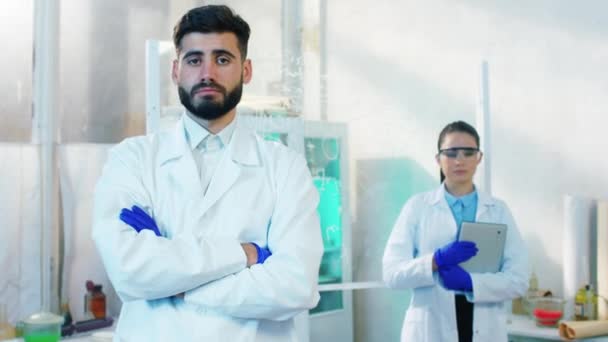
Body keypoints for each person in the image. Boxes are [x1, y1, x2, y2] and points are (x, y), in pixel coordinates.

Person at [92, 5, 323, 341]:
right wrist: (245, 254)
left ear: (246, 70)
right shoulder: (132, 159)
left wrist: (177, 284)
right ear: (175, 71)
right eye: (194, 59)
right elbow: (129, 272)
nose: (207, 73)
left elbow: (296, 286)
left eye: (223, 59)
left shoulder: (285, 167)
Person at [382, 120, 528, 342]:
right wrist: (434, 261)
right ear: (438, 159)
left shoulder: (498, 210)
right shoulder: (417, 207)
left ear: (479, 157)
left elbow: (518, 280)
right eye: (451, 153)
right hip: (431, 327)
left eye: (468, 153)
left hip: (484, 326)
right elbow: (392, 274)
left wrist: (471, 283)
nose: (459, 160)